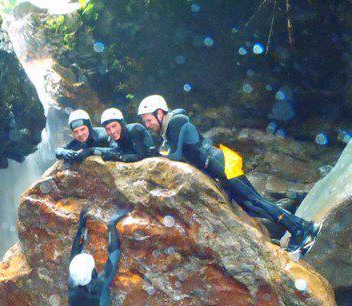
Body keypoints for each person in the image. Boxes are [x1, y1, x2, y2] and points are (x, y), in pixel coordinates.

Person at [137, 94, 321, 254]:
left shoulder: (176, 122)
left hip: (223, 163)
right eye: (145, 121)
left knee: (256, 201)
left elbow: (175, 156)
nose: (147, 124)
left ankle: (301, 230)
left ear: (159, 112)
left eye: (148, 119)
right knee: (250, 206)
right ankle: (302, 227)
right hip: (221, 165)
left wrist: (151, 157)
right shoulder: (168, 130)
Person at [67, 208, 128, 306]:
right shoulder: (100, 286)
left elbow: (75, 251)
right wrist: (112, 225)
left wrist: (82, 225)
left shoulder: (72, 284)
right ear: (91, 269)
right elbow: (114, 255)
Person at [92, 108, 158, 162]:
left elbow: (141, 156)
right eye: (108, 129)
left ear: (121, 124)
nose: (112, 132)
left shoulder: (135, 129)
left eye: (114, 126)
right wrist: (92, 150)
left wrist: (116, 157)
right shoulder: (120, 136)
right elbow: (118, 150)